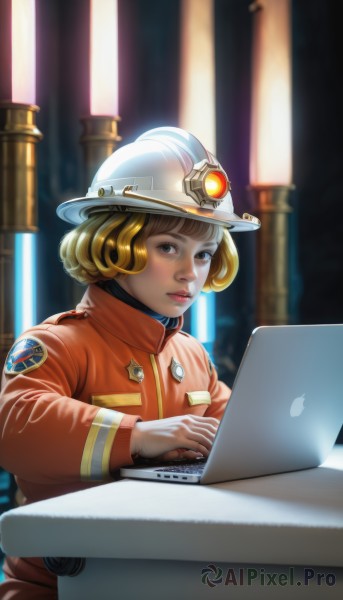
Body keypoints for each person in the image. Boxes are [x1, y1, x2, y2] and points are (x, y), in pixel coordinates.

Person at [0, 126, 260, 597]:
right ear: (112, 244)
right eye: (168, 248)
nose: (190, 273)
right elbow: (15, 427)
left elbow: (237, 440)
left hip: (172, 577)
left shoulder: (193, 355)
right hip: (60, 585)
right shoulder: (56, 343)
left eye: (204, 254)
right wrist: (137, 436)